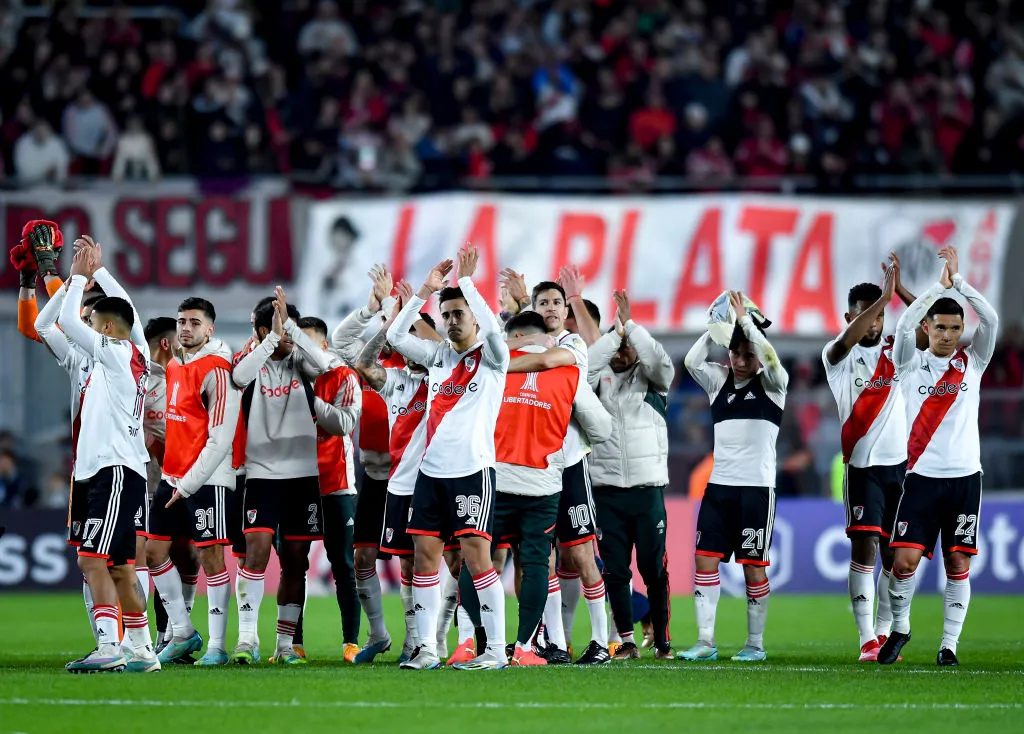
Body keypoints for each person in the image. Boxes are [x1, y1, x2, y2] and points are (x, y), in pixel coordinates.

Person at [461, 310, 612, 666]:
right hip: (543, 482)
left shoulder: (492, 366)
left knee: (478, 559)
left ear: (512, 335)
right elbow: (603, 429)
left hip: (493, 479)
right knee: (536, 563)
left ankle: (475, 643)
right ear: (546, 335)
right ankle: (526, 647)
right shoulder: (569, 371)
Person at [386, 245, 509, 670]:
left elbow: (494, 333)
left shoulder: (493, 360)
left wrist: (470, 284)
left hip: (472, 472)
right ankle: (425, 649)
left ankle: (494, 650)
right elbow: (396, 338)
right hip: (430, 475)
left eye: (460, 313)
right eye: (448, 314)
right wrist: (424, 291)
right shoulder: (438, 357)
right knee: (423, 558)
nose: (453, 321)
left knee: (477, 560)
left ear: (474, 314)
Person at [879, 246, 998, 667]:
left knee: (957, 562)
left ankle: (949, 645)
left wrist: (961, 284)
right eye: (940, 327)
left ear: (963, 328)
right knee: (903, 562)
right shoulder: (909, 363)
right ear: (928, 328)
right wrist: (938, 287)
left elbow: (993, 320)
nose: (948, 334)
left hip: (966, 479)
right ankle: (900, 627)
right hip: (922, 479)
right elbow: (905, 321)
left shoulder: (974, 362)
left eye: (955, 326)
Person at [57, 244, 158, 673]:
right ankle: (142, 648)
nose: (88, 326)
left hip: (112, 470)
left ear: (110, 328)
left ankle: (109, 647)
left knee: (90, 560)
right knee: (118, 565)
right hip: (120, 468)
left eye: (94, 322)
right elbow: (129, 310)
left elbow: (64, 322)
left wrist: (78, 279)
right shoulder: (137, 355)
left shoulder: (115, 354)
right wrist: (102, 272)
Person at [498, 269, 608, 663]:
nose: (549, 309)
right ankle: (554, 642)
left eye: (555, 303)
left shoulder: (572, 344)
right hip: (528, 465)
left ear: (565, 310)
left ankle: (601, 640)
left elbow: (545, 361)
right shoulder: (526, 339)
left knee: (579, 554)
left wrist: (500, 366)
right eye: (541, 303)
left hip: (569, 461)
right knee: (537, 559)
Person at [822, 254, 923, 662]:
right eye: (865, 316)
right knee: (864, 547)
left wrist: (899, 293)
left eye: (879, 317)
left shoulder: (896, 352)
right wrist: (882, 300)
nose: (875, 324)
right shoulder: (837, 356)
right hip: (862, 469)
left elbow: (930, 327)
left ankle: (883, 633)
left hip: (899, 467)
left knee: (893, 555)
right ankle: (866, 638)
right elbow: (851, 337)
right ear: (850, 316)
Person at [680, 290, 788, 663]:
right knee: (704, 560)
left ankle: (755, 644)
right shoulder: (718, 382)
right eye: (735, 352)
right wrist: (718, 326)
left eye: (748, 354)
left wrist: (747, 326)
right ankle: (705, 641)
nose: (741, 361)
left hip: (756, 490)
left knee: (753, 567)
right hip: (719, 488)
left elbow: (772, 361)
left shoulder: (774, 385)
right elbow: (692, 360)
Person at [231, 287, 332, 665]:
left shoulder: (302, 364)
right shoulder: (250, 363)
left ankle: (286, 645)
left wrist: (289, 324)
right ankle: (246, 639)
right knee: (256, 552)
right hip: (260, 474)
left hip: (303, 476)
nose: (286, 337)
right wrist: (271, 335)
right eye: (278, 330)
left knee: (295, 559)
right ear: (259, 332)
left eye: (289, 329)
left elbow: (323, 364)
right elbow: (239, 377)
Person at [345, 286, 440, 662]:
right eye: (407, 340)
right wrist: (392, 326)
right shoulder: (396, 380)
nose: (412, 346)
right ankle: (406, 638)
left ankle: (437, 639)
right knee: (401, 560)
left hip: (436, 481)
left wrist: (414, 317)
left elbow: (449, 350)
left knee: (432, 560)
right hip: (394, 480)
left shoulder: (444, 378)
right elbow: (364, 365)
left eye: (419, 339)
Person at [147, 298, 239, 667]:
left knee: (211, 557)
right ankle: (183, 631)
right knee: (154, 553)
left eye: (195, 323)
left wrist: (188, 484)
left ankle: (217, 646)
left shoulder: (217, 370)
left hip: (208, 479)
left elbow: (220, 439)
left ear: (209, 329)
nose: (186, 328)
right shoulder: (173, 366)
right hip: (172, 476)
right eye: (182, 321)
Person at [588, 290, 676, 660]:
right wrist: (615, 334)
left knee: (653, 570)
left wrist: (632, 327)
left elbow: (659, 359)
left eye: (628, 347)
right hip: (606, 491)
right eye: (617, 347)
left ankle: (663, 641)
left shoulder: (654, 380)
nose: (622, 353)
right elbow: (586, 365)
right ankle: (624, 641)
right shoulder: (595, 381)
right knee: (616, 572)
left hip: (647, 489)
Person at [296, 316, 362, 662]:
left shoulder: (344, 377)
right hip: (295, 484)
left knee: (343, 565)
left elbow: (343, 423)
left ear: (322, 346)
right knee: (295, 565)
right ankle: (293, 644)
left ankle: (351, 642)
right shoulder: (288, 377)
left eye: (306, 342)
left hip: (336, 485)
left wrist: (308, 397)